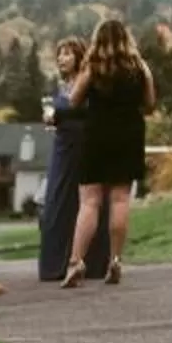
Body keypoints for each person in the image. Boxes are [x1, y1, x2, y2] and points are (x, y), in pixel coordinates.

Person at [59, 17, 153, 288]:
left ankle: (76, 261)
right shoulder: (139, 68)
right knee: (120, 200)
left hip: (97, 134)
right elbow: (150, 103)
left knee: (90, 201)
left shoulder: (93, 67)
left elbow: (74, 99)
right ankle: (115, 260)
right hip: (129, 135)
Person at [36, 39, 113, 284]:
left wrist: (59, 113)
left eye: (67, 54)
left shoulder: (89, 82)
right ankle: (55, 264)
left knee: (87, 203)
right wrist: (52, 117)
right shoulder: (61, 86)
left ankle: (90, 262)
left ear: (79, 56)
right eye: (59, 54)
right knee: (56, 203)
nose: (61, 58)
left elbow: (90, 112)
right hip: (62, 149)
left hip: (82, 147)